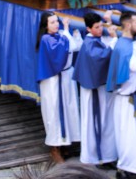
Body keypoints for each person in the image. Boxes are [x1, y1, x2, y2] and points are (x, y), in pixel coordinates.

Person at [106, 11, 136, 179]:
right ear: (127, 25)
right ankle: (129, 170)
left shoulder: (132, 43)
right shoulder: (123, 45)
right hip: (129, 99)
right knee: (131, 138)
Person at [73, 12, 118, 167]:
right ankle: (93, 157)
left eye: (101, 26)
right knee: (94, 123)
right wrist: (113, 42)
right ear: (88, 29)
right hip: (93, 90)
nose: (100, 29)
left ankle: (106, 155)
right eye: (97, 27)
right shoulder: (89, 43)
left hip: (99, 88)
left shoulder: (95, 40)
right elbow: (100, 57)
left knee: (105, 122)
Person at [36, 12, 80, 163]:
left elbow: (76, 45)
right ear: (46, 25)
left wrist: (74, 32)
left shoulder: (60, 35)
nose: (57, 25)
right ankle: (54, 148)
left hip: (66, 78)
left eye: (57, 22)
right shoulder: (46, 39)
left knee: (68, 109)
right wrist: (67, 29)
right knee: (54, 111)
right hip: (53, 81)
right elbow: (67, 48)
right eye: (52, 22)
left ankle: (66, 142)